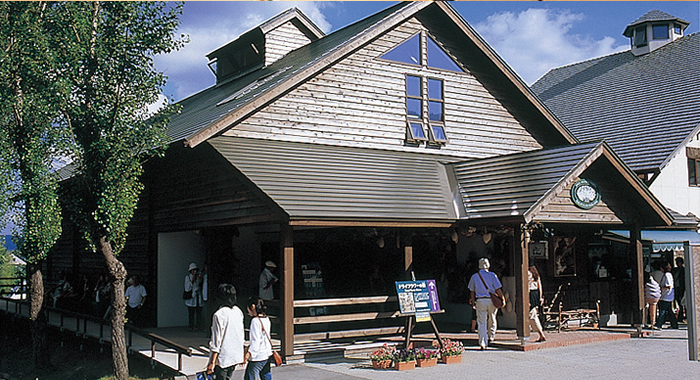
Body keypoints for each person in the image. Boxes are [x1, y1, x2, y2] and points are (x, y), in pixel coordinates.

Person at [205, 284, 245, 380]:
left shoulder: (219, 315)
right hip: (235, 355)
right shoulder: (238, 311)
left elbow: (216, 341)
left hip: (223, 358)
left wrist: (212, 362)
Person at [468, 258, 505, 350]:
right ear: (488, 266)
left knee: (481, 322)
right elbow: (498, 289)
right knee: (492, 317)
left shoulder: (475, 276)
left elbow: (472, 291)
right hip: (491, 300)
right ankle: (491, 336)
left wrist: (473, 301)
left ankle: (483, 343)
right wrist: (502, 298)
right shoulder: (492, 275)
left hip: (480, 300)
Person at [244, 297, 273, 380]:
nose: (248, 312)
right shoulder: (267, 319)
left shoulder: (255, 321)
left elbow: (255, 341)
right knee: (266, 376)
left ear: (252, 307)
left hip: (258, 356)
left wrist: (247, 355)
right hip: (267, 353)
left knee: (250, 377)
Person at [654, 261, 678, 329]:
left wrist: (660, 288)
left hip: (666, 295)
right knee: (669, 311)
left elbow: (668, 286)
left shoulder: (667, 275)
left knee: (663, 310)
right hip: (669, 296)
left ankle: (659, 324)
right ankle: (674, 324)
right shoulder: (669, 274)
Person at [528, 265, 546, 342]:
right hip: (535, 293)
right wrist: (540, 296)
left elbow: (526, 285)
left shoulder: (527, 273)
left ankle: (541, 334)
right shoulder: (536, 275)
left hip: (530, 293)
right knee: (531, 313)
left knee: (532, 314)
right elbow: (540, 286)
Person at [185, 262, 204, 331]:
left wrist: (200, 279)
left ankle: (198, 326)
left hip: (198, 298)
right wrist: (192, 279)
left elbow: (201, 286)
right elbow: (187, 288)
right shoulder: (188, 277)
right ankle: (191, 326)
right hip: (191, 299)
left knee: (199, 313)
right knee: (191, 313)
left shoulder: (199, 277)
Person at [672, 257, 686, 321]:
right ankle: (680, 314)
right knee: (678, 301)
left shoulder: (684, 270)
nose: (678, 264)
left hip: (682, 287)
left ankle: (682, 314)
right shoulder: (675, 270)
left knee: (682, 301)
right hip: (676, 287)